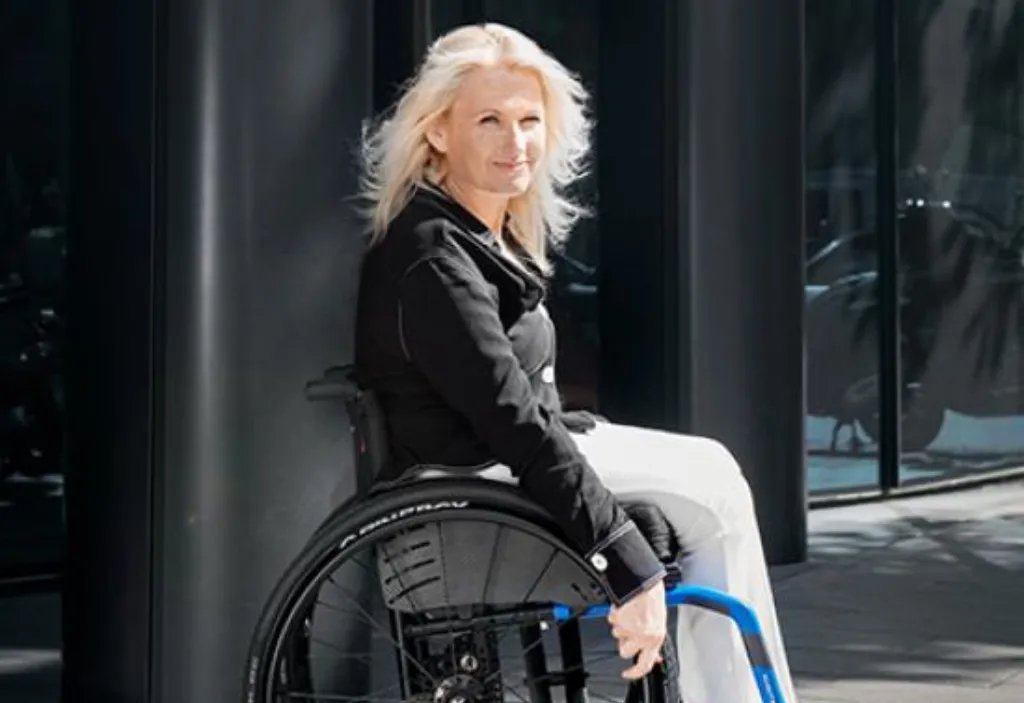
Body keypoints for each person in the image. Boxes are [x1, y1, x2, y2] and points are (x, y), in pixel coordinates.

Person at [354, 22, 799, 703]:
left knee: (715, 468)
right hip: (472, 474)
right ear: (438, 131)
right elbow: (512, 420)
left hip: (495, 453)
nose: (517, 141)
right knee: (714, 494)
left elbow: (515, 399)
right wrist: (624, 559)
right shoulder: (432, 258)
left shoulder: (475, 231)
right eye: (491, 120)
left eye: (530, 120)